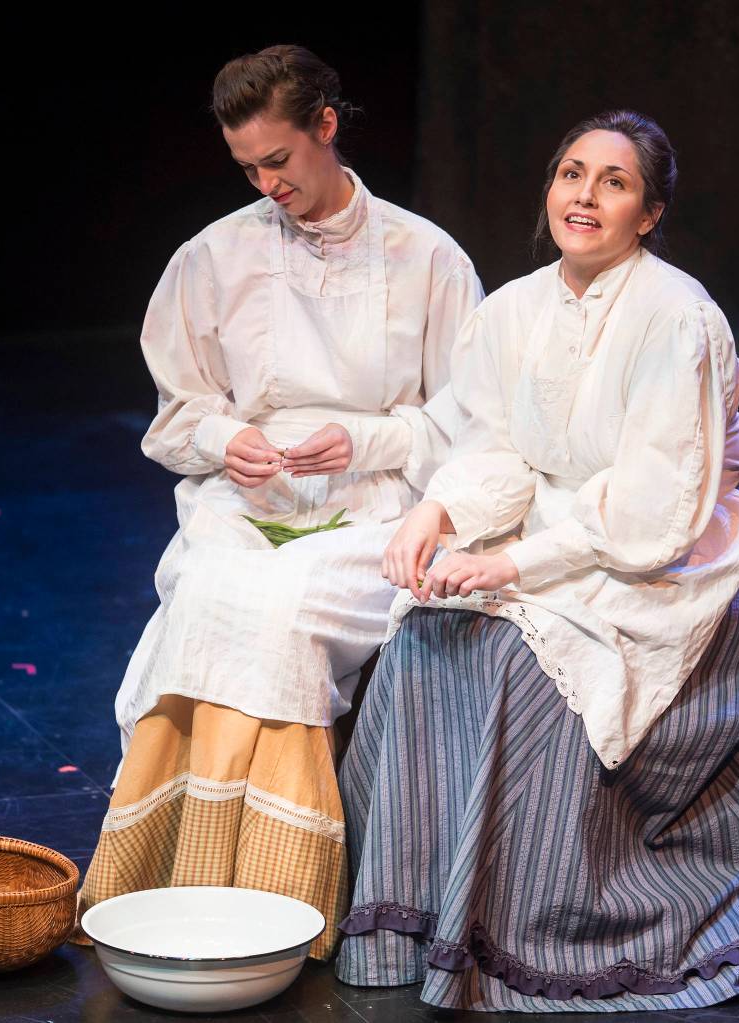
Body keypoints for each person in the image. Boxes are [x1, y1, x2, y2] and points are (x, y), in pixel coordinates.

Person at [336, 111, 739, 1010]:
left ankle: (523, 923)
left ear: (648, 214)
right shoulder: (512, 310)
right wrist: (438, 510)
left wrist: (512, 566)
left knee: (521, 662)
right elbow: (497, 448)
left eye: (614, 183)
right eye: (571, 173)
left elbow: (654, 508)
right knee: (423, 636)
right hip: (555, 517)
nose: (584, 196)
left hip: (674, 543)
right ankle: (416, 916)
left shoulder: (677, 318)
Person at [73, 45, 481, 960]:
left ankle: (275, 895)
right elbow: (177, 415)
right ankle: (167, 878)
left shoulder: (426, 258)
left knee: (286, 609)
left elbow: (472, 424)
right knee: (211, 597)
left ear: (326, 126)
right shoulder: (212, 256)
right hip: (245, 499)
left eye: (279, 160)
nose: (267, 185)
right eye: (248, 168)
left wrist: (368, 439)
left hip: (378, 505)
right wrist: (227, 439)